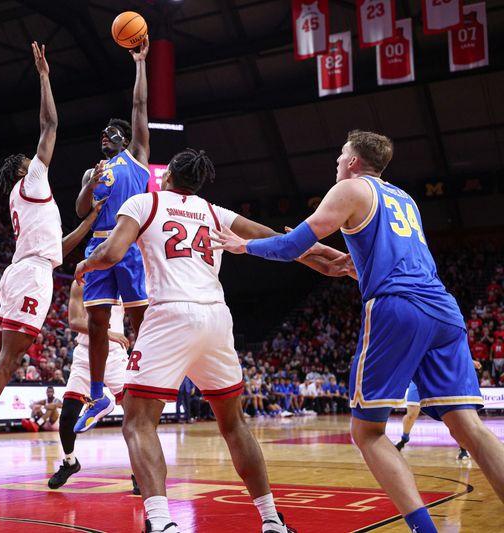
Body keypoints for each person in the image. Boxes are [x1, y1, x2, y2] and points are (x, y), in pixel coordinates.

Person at [210, 130, 504, 529]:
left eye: (339, 155)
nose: (336, 162)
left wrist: (244, 246)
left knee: (367, 432)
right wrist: (354, 267)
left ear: (352, 161)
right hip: (443, 308)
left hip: (399, 308)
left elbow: (293, 244)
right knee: (468, 425)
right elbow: (388, 259)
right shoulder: (405, 199)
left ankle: (424, 528)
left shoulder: (350, 189)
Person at [73, 149, 341, 532]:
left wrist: (86, 263)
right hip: (216, 317)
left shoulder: (143, 201)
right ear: (199, 184)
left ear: (166, 179)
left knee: (137, 422)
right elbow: (278, 241)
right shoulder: (216, 212)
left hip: (170, 313)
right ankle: (271, 520)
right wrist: (329, 259)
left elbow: (112, 253)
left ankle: (163, 522)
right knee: (234, 425)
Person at [0, 43, 101, 484]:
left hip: (26, 268)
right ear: (25, 168)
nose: (39, 159)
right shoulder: (32, 179)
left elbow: (58, 249)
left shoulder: (24, 199)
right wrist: (44, 75)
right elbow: (51, 123)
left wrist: (91, 222)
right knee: (8, 359)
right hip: (30, 275)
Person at [73, 37, 151, 433]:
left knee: (141, 321)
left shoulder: (136, 157)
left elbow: (139, 108)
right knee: (97, 324)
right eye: (102, 134)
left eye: (109, 132)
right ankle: (99, 392)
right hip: (99, 244)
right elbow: (80, 210)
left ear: (123, 137)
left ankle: (146, 380)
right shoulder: (94, 170)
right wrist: (91, 185)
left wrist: (139, 64)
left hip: (132, 244)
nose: (104, 136)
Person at [47, 281, 132, 489]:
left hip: (115, 356)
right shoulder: (81, 282)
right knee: (67, 417)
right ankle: (70, 462)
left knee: (135, 414)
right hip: (85, 355)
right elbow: (75, 321)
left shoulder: (124, 279)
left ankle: (139, 471)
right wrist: (106, 332)